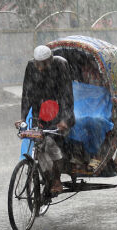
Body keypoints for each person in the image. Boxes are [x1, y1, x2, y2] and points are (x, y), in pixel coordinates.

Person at [15, 45, 75, 194]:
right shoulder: (31, 66)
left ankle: (56, 180)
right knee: (39, 145)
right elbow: (27, 93)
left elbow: (67, 95)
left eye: (43, 64)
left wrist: (65, 120)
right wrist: (22, 117)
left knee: (52, 145)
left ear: (50, 60)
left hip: (59, 112)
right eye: (38, 64)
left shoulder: (61, 65)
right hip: (40, 111)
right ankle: (47, 178)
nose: (40, 68)